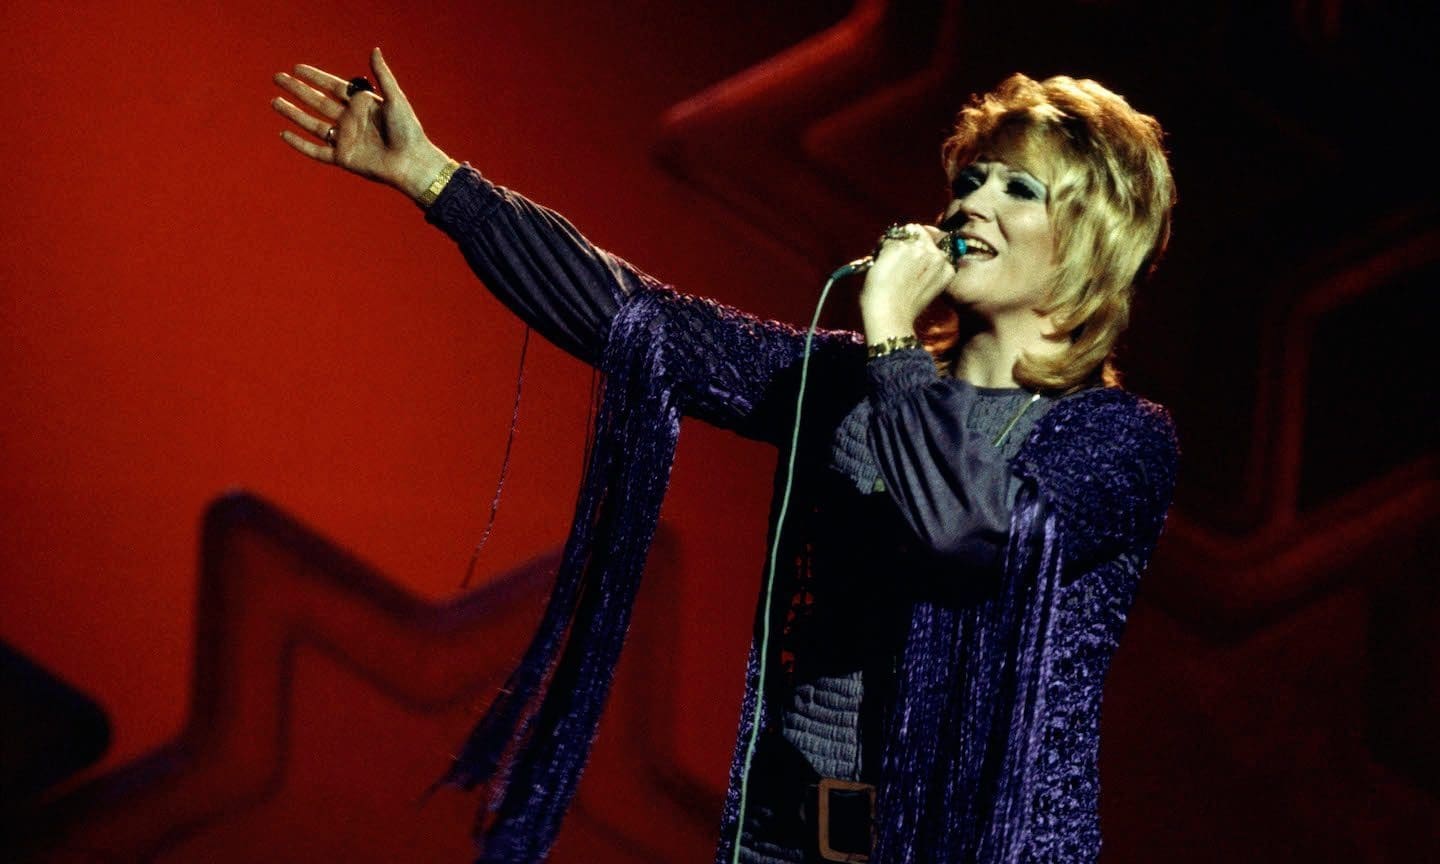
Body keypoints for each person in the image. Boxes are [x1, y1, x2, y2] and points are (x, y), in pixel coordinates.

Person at [272, 48, 1178, 864]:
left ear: (1092, 241)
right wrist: (435, 180)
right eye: (971, 178)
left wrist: (895, 341)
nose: (971, 202)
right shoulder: (849, 384)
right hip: (791, 839)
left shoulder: (1117, 439)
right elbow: (640, 320)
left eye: (1019, 189)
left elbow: (968, 531)